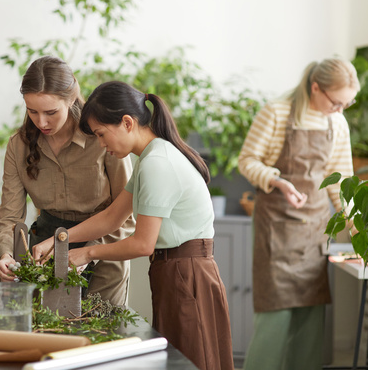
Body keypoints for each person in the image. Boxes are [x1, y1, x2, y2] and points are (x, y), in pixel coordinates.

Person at [32, 81, 234, 370]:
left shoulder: (157, 163)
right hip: (176, 272)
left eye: (102, 134)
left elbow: (142, 244)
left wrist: (87, 253)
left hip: (186, 274)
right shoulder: (149, 158)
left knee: (192, 361)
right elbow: (112, 217)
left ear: (127, 123)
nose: (101, 144)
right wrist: (58, 239)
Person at [238, 58, 359, 370]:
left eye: (347, 103)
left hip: (314, 230)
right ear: (315, 87)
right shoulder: (276, 112)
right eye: (336, 102)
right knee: (274, 321)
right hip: (276, 227)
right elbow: (248, 160)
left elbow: (341, 181)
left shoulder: (337, 123)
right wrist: (277, 180)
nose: (340, 110)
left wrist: (356, 225)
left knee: (310, 321)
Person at [0, 56, 135, 305]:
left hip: (104, 252)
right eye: (32, 111)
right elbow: (9, 217)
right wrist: (5, 254)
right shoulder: (19, 145)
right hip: (45, 252)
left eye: (51, 112)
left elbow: (125, 216)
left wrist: (88, 253)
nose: (42, 122)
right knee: (49, 335)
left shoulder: (102, 139)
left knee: (100, 338)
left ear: (71, 99)